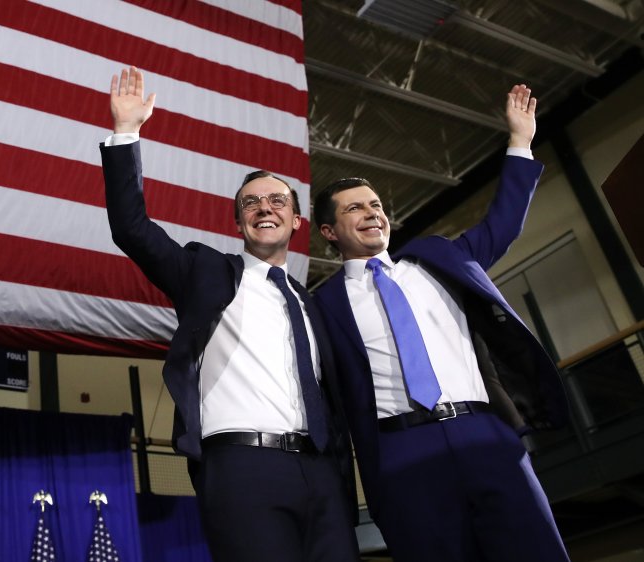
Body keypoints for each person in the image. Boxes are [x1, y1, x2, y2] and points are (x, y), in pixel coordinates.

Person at [101, 67, 360, 562]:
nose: (265, 207)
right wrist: (126, 133)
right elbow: (131, 228)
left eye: (277, 200)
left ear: (297, 219)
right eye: (251, 202)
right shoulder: (204, 272)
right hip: (241, 467)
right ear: (238, 218)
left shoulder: (314, 304)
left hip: (323, 472)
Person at [312, 84, 571, 562]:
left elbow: (503, 223)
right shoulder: (320, 305)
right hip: (400, 452)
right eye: (355, 208)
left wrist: (520, 141)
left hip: (486, 434)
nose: (372, 213)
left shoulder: (437, 258)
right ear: (329, 232)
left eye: (376, 205)